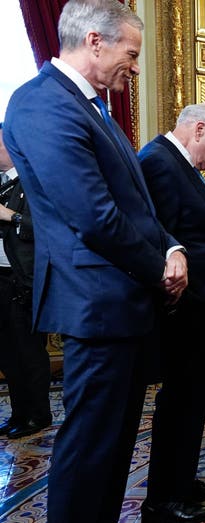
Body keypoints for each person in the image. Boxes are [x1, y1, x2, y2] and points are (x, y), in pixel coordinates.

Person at [2, 1, 188, 521]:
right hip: (95, 305)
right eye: (131, 52)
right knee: (88, 452)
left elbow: (136, 203)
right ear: (94, 40)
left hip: (120, 303)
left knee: (112, 449)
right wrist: (160, 269)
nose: (134, 64)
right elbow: (94, 217)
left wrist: (170, 246)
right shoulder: (43, 104)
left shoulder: (92, 106)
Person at [137, 102, 205, 522]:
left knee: (194, 400)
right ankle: (163, 499)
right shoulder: (158, 161)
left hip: (202, 303)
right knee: (179, 401)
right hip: (184, 306)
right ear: (199, 130)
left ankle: (182, 480)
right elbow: (155, 233)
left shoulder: (181, 165)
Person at [0, 123, 51, 440]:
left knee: (29, 352)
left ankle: (38, 414)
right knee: (6, 352)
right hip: (1, 280)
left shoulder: (34, 183)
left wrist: (11, 216)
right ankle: (19, 412)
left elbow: (46, 228)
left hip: (25, 281)